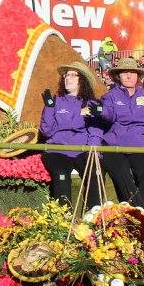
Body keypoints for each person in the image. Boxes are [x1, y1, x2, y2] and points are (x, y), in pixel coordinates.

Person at [95, 57, 144, 210]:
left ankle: (138, 213)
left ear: (137, 75)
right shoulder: (110, 96)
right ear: (118, 76)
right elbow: (108, 116)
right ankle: (142, 213)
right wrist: (101, 111)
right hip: (115, 144)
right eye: (125, 73)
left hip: (141, 144)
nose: (129, 76)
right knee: (122, 174)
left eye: (132, 72)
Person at [38, 63, 105, 208]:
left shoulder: (91, 103)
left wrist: (95, 151)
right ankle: (63, 219)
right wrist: (49, 108)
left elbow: (95, 131)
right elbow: (46, 131)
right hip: (57, 150)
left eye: (73, 75)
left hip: (81, 150)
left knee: (95, 174)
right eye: (66, 75)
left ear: (82, 80)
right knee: (61, 175)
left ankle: (94, 215)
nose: (68, 78)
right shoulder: (55, 102)